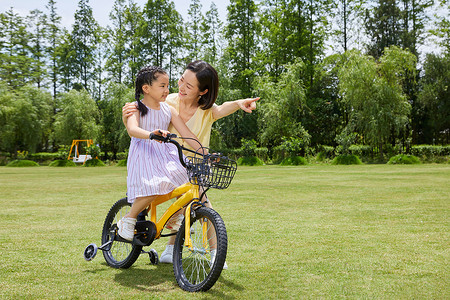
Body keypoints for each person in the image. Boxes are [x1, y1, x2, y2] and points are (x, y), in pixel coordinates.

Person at [122, 60, 259, 267]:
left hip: (192, 163)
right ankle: (160, 241)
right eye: (181, 80)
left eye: (189, 85)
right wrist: (129, 119)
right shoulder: (166, 101)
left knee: (198, 203)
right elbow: (141, 119)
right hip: (164, 160)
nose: (180, 87)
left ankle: (213, 254)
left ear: (202, 91)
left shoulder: (206, 109)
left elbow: (220, 110)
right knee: (180, 204)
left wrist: (240, 103)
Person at [117, 65, 204, 242]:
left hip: (166, 154)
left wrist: (204, 152)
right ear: (146, 88)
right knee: (153, 186)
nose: (167, 90)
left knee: (187, 180)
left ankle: (174, 217)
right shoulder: (136, 107)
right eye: (162, 85)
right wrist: (150, 135)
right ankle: (129, 219)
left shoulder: (168, 110)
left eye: (168, 85)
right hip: (145, 153)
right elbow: (133, 129)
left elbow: (186, 134)